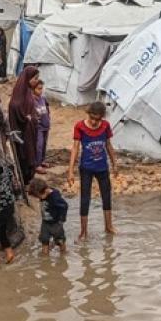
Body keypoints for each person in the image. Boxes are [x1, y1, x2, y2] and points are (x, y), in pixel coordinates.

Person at [67, 101, 118, 240]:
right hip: (86, 168)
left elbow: (108, 145)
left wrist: (115, 163)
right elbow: (75, 149)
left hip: (102, 167)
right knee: (85, 198)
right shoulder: (80, 126)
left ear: (102, 117)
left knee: (106, 196)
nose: (95, 122)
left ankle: (108, 226)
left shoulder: (106, 126)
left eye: (98, 119)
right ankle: (84, 231)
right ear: (88, 114)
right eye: (92, 118)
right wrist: (70, 171)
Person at [8, 66, 42, 185]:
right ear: (27, 78)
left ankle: (30, 178)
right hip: (23, 132)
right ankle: (25, 180)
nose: (36, 81)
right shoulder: (20, 92)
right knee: (25, 155)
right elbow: (14, 106)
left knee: (31, 152)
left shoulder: (28, 91)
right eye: (35, 78)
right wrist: (25, 117)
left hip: (31, 130)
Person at [28, 177, 68, 256]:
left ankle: (63, 256)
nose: (38, 198)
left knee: (60, 241)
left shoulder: (55, 197)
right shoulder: (43, 192)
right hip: (45, 223)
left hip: (56, 224)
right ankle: (45, 259)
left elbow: (65, 206)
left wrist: (61, 220)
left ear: (45, 191)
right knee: (44, 240)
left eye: (38, 196)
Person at [33, 81, 51, 174]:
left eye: (41, 88)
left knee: (44, 144)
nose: (41, 90)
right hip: (38, 127)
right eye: (38, 89)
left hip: (45, 125)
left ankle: (42, 160)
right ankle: (37, 164)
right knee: (38, 145)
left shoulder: (43, 98)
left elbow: (47, 110)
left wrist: (48, 119)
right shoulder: (32, 101)